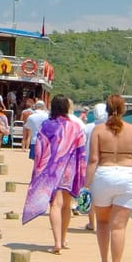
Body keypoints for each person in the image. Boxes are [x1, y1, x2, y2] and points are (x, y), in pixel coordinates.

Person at [86, 94, 132, 262]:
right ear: (124, 109)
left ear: (107, 110)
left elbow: (93, 160)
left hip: (105, 174)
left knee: (103, 223)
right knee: (119, 227)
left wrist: (86, 185)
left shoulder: (98, 131)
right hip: (128, 177)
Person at [21, 95, 87, 253]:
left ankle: (57, 242)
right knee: (66, 205)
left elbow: (39, 148)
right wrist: (81, 171)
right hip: (70, 170)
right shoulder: (75, 127)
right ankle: (63, 240)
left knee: (55, 205)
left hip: (52, 170)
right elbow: (81, 150)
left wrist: (39, 169)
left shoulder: (47, 125)